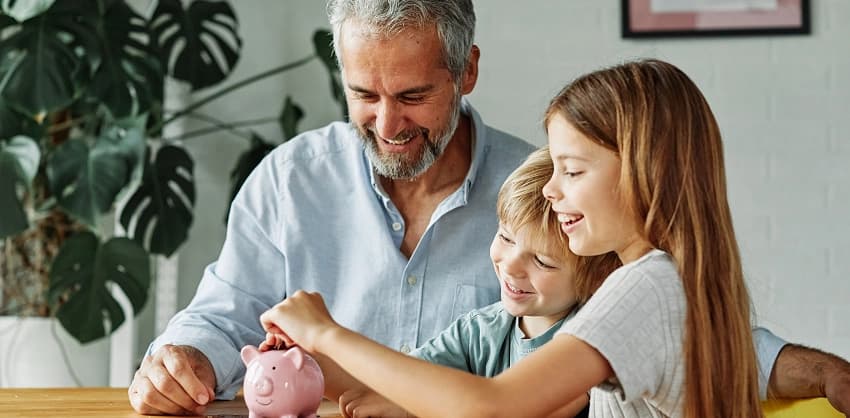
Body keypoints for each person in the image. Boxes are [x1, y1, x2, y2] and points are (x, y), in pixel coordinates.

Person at [128, 1, 850, 415]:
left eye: (412, 96)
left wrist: (822, 371)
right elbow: (225, 316)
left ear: (466, 71)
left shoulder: (549, 201)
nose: (386, 123)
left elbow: (684, 341)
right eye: (362, 95)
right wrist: (192, 357)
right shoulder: (290, 180)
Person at [257, 59, 845, 417]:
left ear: (643, 171)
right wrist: (316, 359)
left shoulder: (644, 289)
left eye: (573, 170)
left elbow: (494, 408)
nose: (553, 192)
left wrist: (327, 332)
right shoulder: (669, 280)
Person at [266, 148, 618, 418]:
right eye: (506, 238)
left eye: (542, 261)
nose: (510, 265)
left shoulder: (590, 339)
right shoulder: (480, 331)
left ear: (597, 277)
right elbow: (388, 384)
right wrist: (304, 359)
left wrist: (327, 333)